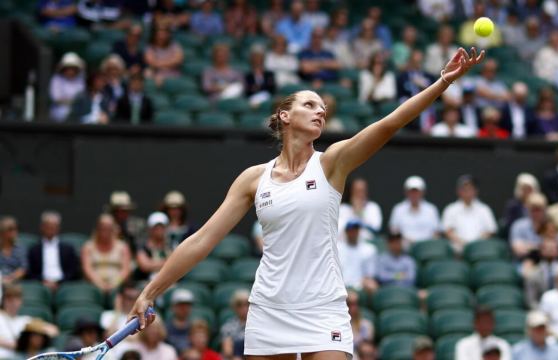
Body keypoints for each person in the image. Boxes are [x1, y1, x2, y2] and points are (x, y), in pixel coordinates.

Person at [128, 46, 486, 360]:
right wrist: (150, 291)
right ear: (285, 116)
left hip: (323, 308)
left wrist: (442, 83)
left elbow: (389, 123)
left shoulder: (332, 162)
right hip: (269, 310)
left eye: (323, 108)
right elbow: (202, 239)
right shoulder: (254, 179)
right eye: (310, 104)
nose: (320, 111)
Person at [442, 175, 498, 252]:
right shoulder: (451, 209)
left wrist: (475, 244)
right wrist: (463, 243)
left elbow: (490, 231)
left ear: (476, 191)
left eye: (470, 189)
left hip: (480, 249)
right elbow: (448, 231)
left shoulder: (484, 209)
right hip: (457, 251)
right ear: (458, 191)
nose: (467, 192)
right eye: (464, 189)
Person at [26, 211, 80, 290]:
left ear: (58, 228)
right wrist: (43, 282)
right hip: (40, 285)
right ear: (42, 227)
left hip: (64, 285)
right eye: (48, 226)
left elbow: (73, 271)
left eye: (54, 226)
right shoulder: (34, 250)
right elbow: (30, 272)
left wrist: (59, 283)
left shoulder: (68, 249)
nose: (51, 229)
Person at [81, 213, 132, 292]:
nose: (106, 231)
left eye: (109, 228)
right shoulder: (88, 247)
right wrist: (99, 284)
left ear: (113, 229)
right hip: (93, 287)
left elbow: (125, 271)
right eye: (103, 228)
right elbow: (87, 269)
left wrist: (114, 284)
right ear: (98, 228)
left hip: (117, 287)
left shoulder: (122, 247)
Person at [522, 232, 558, 308]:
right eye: (547, 248)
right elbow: (531, 300)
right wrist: (544, 310)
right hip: (541, 309)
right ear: (540, 252)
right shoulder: (532, 273)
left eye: (553, 248)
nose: (550, 250)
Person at [389, 176, 441, 247]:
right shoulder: (398, 209)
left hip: (427, 249)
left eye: (416, 191)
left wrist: (428, 245)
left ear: (422, 192)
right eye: (411, 191)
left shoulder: (431, 209)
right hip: (404, 249)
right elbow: (394, 231)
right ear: (406, 192)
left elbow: (436, 233)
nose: (414, 194)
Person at [337, 220, 378, 292]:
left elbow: (369, 274)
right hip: (341, 285)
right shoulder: (338, 248)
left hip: (360, 285)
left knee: (372, 286)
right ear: (346, 232)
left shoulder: (369, 249)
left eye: (356, 230)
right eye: (351, 230)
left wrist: (365, 281)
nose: (354, 233)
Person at [338, 178, 382, 243]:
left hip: (367, 245)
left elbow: (375, 231)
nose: (360, 195)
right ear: (351, 192)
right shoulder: (343, 209)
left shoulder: (373, 207)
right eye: (357, 191)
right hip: (346, 245)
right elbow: (339, 231)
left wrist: (359, 213)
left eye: (362, 191)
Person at [49, 52, 86, 122]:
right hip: (59, 117)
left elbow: (83, 97)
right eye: (68, 68)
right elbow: (56, 98)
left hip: (78, 117)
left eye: (73, 68)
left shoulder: (80, 80)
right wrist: (74, 101)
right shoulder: (56, 79)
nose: (70, 71)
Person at [134, 212, 172, 281]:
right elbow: (145, 266)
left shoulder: (171, 246)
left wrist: (153, 264)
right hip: (146, 283)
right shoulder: (142, 247)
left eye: (162, 227)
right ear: (150, 229)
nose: (159, 230)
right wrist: (168, 263)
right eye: (156, 228)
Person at [106, 190, 146, 255]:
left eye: (125, 211)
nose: (121, 214)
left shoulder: (137, 226)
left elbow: (140, 250)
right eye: (117, 211)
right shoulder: (105, 227)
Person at [510, 193, 548, 259]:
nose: (536, 213)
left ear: (544, 210)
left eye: (539, 209)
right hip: (523, 262)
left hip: (546, 262)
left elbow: (553, 250)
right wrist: (539, 247)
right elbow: (518, 250)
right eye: (533, 209)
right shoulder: (518, 225)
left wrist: (527, 246)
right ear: (528, 209)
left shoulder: (550, 226)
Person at [0, 285, 34, 358]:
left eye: (17, 299)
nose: (13, 303)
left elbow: (51, 330)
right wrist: (17, 346)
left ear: (21, 301)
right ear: (4, 301)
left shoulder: (26, 320)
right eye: (10, 300)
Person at [221, 290, 249, 360]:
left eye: (247, 304)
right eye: (239, 305)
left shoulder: (259, 325)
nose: (244, 308)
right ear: (234, 307)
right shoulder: (228, 327)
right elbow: (227, 352)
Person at [0, 216, 27, 284]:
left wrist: (11, 278)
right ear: (2, 232)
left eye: (16, 229)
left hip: (15, 282)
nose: (14, 232)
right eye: (10, 229)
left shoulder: (20, 248)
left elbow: (23, 268)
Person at [166, 289, 194, 354]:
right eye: (180, 305)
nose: (184, 308)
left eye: (187, 305)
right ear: (173, 307)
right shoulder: (165, 328)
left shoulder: (194, 327)